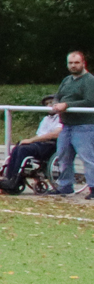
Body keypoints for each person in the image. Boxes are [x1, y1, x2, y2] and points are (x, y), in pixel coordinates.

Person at [45, 51, 94, 197]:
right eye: (70, 63)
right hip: (66, 125)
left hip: (84, 126)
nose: (73, 66)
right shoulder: (67, 80)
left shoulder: (89, 80)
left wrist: (66, 105)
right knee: (63, 157)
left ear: (83, 63)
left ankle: (93, 187)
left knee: (88, 158)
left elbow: (90, 101)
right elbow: (58, 96)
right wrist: (55, 105)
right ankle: (65, 186)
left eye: (76, 63)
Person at [0, 112, 65, 194]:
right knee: (17, 148)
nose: (49, 105)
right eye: (47, 103)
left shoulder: (61, 118)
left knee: (23, 150)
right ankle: (9, 178)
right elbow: (40, 134)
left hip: (51, 144)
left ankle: (14, 181)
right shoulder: (46, 119)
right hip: (40, 143)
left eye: (51, 103)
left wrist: (31, 140)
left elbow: (55, 134)